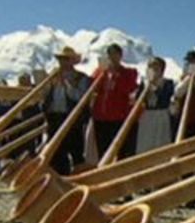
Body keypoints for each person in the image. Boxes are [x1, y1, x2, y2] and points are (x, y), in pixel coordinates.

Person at [42, 47, 91, 175]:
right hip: (54, 117)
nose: (62, 62)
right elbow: (45, 97)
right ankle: (58, 177)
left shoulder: (81, 78)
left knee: (75, 149)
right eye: (60, 59)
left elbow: (81, 97)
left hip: (72, 118)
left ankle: (79, 177)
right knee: (55, 150)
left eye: (65, 59)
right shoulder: (52, 76)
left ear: (72, 61)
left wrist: (67, 85)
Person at [91, 43, 139, 160]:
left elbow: (130, 90)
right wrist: (102, 75)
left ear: (120, 56)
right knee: (102, 149)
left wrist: (117, 76)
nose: (113, 57)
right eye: (110, 54)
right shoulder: (100, 72)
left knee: (121, 150)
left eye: (115, 54)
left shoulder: (129, 73)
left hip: (119, 117)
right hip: (101, 117)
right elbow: (92, 88)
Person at [135, 57, 175, 153]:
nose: (153, 69)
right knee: (145, 144)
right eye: (150, 66)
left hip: (161, 116)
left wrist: (154, 85)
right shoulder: (144, 83)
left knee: (161, 144)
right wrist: (147, 86)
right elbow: (138, 99)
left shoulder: (168, 83)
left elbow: (165, 98)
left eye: (156, 67)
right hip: (147, 116)